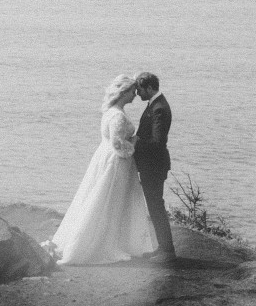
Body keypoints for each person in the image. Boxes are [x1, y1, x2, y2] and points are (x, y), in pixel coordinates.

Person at [50, 74, 158, 265]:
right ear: (124, 92)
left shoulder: (110, 111)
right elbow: (118, 144)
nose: (135, 96)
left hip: (104, 156)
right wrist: (134, 142)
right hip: (116, 162)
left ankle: (110, 239)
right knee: (109, 201)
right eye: (133, 92)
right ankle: (98, 243)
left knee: (103, 199)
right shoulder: (117, 115)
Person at [132, 71, 176, 261]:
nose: (137, 93)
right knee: (155, 206)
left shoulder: (159, 108)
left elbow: (157, 142)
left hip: (154, 166)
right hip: (152, 165)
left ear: (149, 87)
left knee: (156, 206)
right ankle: (164, 247)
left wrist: (135, 142)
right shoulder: (155, 104)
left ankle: (166, 249)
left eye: (140, 89)